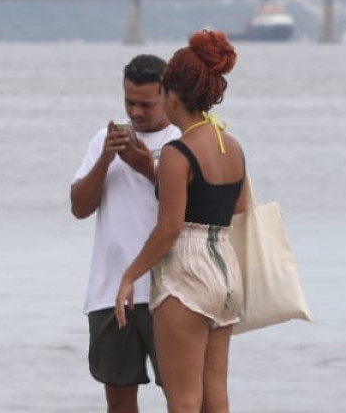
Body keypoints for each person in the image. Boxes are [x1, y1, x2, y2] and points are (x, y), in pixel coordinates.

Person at [112, 31, 246, 413]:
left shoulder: (177, 152)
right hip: (226, 274)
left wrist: (128, 276)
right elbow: (241, 207)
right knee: (215, 394)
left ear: (172, 95)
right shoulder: (230, 144)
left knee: (184, 401)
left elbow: (169, 227)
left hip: (186, 275)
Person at [71, 53, 180, 413]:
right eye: (128, 102)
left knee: (182, 396)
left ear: (169, 96)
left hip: (171, 291)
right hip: (109, 291)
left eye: (146, 104)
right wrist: (105, 159)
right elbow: (79, 207)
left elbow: (194, 210)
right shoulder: (104, 139)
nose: (135, 112)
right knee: (118, 397)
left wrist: (148, 169)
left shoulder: (181, 140)